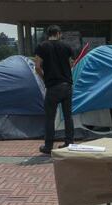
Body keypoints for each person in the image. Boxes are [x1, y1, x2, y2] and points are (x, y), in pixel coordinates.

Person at [35, 25, 74, 155]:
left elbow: (37, 67)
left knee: (50, 118)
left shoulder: (42, 47)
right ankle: (69, 142)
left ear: (48, 34)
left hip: (52, 87)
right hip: (67, 85)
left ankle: (48, 145)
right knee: (68, 116)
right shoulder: (66, 47)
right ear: (58, 33)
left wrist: (45, 78)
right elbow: (71, 63)